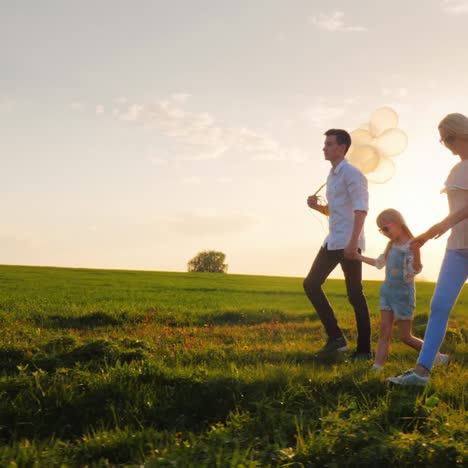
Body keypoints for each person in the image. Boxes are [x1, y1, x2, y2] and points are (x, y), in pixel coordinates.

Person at [389, 112, 468, 385]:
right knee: (439, 306)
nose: (446, 144)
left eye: (449, 138)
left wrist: (441, 225)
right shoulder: (456, 169)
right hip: (457, 249)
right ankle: (422, 372)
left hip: (453, 237)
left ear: (461, 134)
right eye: (443, 140)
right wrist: (432, 233)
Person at [304, 128, 372, 359]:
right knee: (311, 284)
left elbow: (361, 210)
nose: (324, 147)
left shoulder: (352, 174)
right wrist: (317, 207)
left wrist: (353, 244)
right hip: (333, 241)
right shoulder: (332, 175)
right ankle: (336, 338)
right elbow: (336, 212)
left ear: (341, 148)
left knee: (354, 294)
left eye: (329, 143)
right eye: (325, 144)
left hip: (349, 242)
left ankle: (364, 350)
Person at [356, 208, 449, 371]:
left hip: (403, 297)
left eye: (386, 228)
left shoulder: (411, 245)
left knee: (405, 336)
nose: (385, 233)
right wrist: (357, 257)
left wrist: (416, 253)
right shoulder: (391, 245)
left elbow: (413, 271)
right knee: (384, 329)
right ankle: (377, 367)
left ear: (399, 223)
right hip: (387, 293)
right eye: (381, 230)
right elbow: (379, 263)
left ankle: (438, 357)